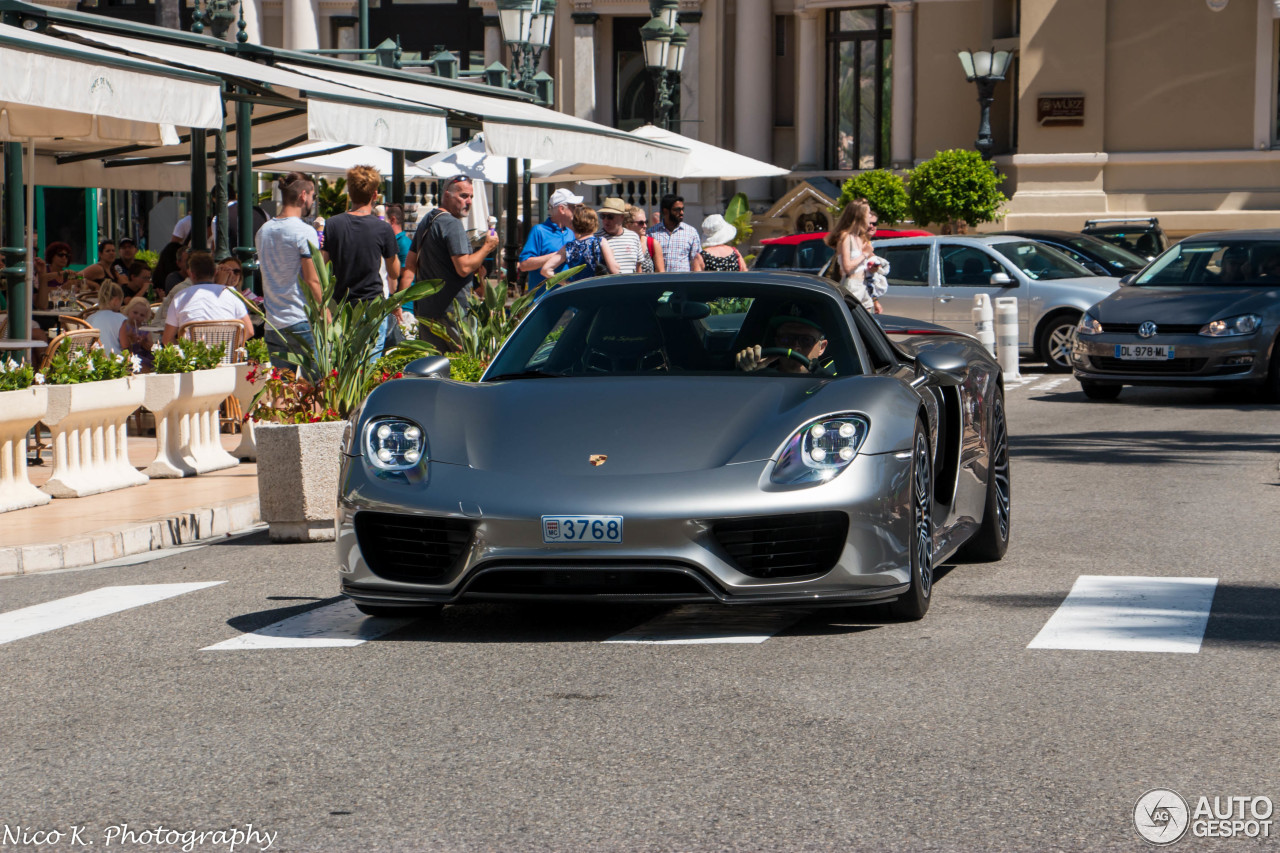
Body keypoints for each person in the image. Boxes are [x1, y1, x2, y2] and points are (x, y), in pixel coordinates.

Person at [400, 175, 499, 349]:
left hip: (427, 311)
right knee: (464, 365)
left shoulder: (428, 220)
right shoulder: (452, 224)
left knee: (434, 367)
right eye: (463, 196)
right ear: (447, 195)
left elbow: (410, 263)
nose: (468, 201)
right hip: (454, 313)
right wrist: (487, 248)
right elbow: (464, 267)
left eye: (471, 197)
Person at [322, 165, 401, 355]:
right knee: (368, 366)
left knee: (342, 367)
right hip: (371, 305)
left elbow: (322, 268)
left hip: (341, 308)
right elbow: (394, 272)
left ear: (349, 191)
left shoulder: (332, 224)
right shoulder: (382, 229)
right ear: (375, 195)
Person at [256, 172, 322, 372]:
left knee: (282, 389)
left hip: (274, 323)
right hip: (300, 319)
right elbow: (312, 280)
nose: (312, 200)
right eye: (313, 196)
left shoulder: (263, 231)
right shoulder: (304, 231)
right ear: (303, 195)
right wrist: (324, 310)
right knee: (316, 387)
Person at [161, 251, 254, 346]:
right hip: (226, 359)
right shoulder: (231, 294)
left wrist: (183, 353)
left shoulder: (180, 297)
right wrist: (230, 346)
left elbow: (167, 339)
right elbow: (249, 331)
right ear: (215, 272)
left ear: (191, 274)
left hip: (193, 358)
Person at [734, 304, 830, 375]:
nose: (795, 347)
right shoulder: (762, 377)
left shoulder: (831, 386)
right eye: (786, 339)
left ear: (821, 347)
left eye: (806, 340)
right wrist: (748, 371)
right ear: (777, 342)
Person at [519, 187, 580, 296]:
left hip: (569, 299)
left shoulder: (572, 232)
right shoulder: (539, 231)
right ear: (562, 209)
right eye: (573, 207)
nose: (576, 211)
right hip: (543, 300)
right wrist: (558, 255)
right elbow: (524, 265)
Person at [826, 199, 882, 314]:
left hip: (863, 285)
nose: (869, 217)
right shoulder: (846, 237)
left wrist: (871, 266)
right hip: (852, 285)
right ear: (860, 216)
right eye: (868, 214)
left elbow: (861, 263)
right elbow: (847, 267)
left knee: (867, 322)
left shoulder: (859, 237)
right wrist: (865, 254)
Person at [540, 206, 621, 283]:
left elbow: (545, 270)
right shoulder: (600, 241)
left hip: (577, 290)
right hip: (597, 289)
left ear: (574, 224)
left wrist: (566, 283)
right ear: (594, 223)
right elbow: (615, 270)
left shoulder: (569, 247)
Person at [648, 194, 701, 272]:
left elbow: (696, 261)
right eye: (677, 210)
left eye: (682, 209)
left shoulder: (691, 232)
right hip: (660, 281)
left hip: (682, 281)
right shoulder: (652, 233)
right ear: (665, 211)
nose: (682, 213)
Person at [597, 197, 642, 274]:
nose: (605, 220)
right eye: (603, 216)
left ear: (622, 217)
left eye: (610, 216)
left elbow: (639, 267)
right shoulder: (596, 239)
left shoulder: (633, 237)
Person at [88, 280, 127, 355]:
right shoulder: (121, 319)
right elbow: (126, 346)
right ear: (116, 301)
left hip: (94, 361)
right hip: (114, 361)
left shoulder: (89, 318)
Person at [119, 296, 155, 370]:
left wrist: (143, 342)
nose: (138, 316)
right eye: (135, 312)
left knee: (155, 360)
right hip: (131, 355)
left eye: (142, 315)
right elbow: (125, 346)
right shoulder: (125, 325)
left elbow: (151, 346)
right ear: (128, 311)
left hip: (145, 353)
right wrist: (130, 338)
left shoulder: (144, 328)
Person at [625, 206, 664, 273]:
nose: (645, 226)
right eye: (641, 223)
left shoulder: (652, 243)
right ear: (629, 225)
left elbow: (661, 272)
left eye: (646, 222)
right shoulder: (622, 243)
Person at [37, 242, 75, 309]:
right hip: (46, 308)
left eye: (67, 256)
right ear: (52, 256)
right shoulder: (44, 270)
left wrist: (76, 280)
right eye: (60, 255)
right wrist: (63, 288)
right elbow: (40, 290)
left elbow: (81, 278)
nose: (64, 258)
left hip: (62, 308)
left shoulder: (66, 274)